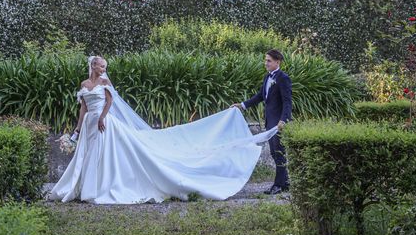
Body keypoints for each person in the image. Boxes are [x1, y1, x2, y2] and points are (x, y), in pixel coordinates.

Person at [48, 56, 278, 204]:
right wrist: (77, 130)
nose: (103, 68)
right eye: (101, 65)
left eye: (105, 67)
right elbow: (83, 108)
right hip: (88, 123)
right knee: (87, 155)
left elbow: (110, 103)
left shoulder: (105, 84)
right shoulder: (84, 85)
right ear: (93, 66)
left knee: (105, 156)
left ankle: (97, 188)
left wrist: (103, 118)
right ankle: (82, 187)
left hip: (104, 122)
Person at [232, 49, 292, 195]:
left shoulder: (283, 78)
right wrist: (243, 105)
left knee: (278, 152)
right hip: (270, 121)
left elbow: (287, 101)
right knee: (274, 152)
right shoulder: (267, 77)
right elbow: (260, 96)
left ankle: (278, 185)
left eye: (269, 61)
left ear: (278, 62)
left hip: (278, 123)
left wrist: (283, 120)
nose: (266, 63)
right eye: (265, 60)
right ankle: (284, 183)